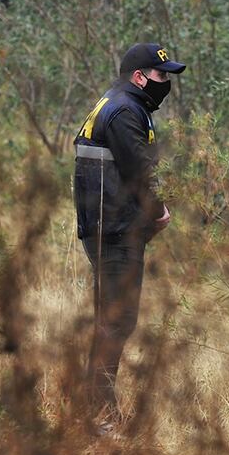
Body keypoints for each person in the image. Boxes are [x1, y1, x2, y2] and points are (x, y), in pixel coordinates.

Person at [72, 42, 185, 426]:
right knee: (115, 321)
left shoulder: (123, 103)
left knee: (115, 319)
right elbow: (138, 170)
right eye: (160, 75)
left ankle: (98, 406)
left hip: (115, 227)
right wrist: (158, 208)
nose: (165, 82)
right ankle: (99, 412)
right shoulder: (123, 110)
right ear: (139, 77)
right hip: (112, 230)